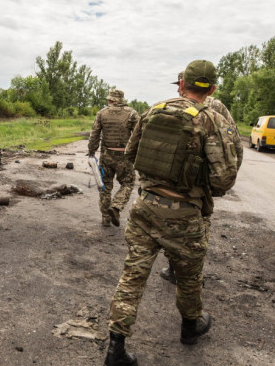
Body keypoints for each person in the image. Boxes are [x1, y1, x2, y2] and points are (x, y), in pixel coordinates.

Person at [104, 60, 242, 366]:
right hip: (185, 215)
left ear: (181, 84)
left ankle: (115, 348)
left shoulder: (153, 111)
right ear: (213, 89)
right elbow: (224, 178)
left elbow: (130, 154)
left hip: (146, 208)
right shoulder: (211, 120)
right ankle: (190, 327)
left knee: (133, 274)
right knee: (189, 277)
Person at [158, 72, 241, 284]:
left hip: (175, 180)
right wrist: (222, 182)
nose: (178, 88)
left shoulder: (174, 106)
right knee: (200, 226)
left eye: (180, 84)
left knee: (172, 226)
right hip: (202, 183)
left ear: (186, 85)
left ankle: (178, 271)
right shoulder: (218, 107)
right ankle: (190, 273)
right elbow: (235, 144)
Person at [87, 89, 140, 227]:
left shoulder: (102, 113)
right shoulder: (132, 114)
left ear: (111, 100)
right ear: (121, 100)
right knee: (127, 184)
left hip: (106, 155)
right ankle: (116, 206)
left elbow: (94, 135)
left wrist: (91, 153)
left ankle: (105, 217)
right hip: (125, 156)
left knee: (105, 187)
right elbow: (139, 135)